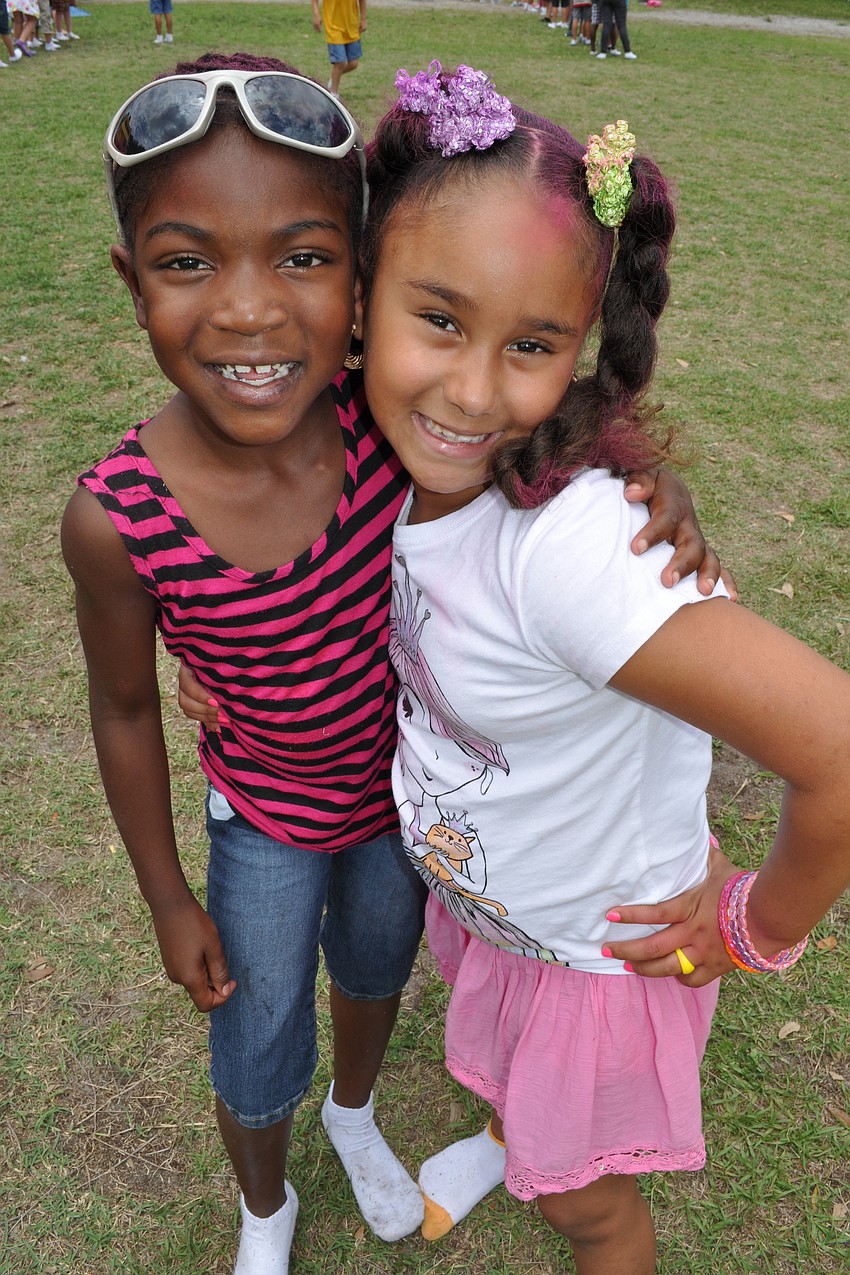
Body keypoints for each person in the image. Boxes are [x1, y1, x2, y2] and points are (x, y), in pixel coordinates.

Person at [64, 50, 727, 1275]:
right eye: (187, 263)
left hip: (401, 813)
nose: (252, 311)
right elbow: (119, 709)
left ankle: (355, 1115)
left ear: (359, 287)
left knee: (373, 975)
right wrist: (166, 896)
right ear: (130, 279)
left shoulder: (394, 427)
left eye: (305, 260)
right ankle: (265, 1210)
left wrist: (644, 474)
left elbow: (534, 443)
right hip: (260, 818)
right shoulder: (118, 514)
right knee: (255, 1027)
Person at [360, 67, 850, 1273]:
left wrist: (754, 926)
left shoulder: (574, 550)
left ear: (584, 347)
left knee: (587, 1209)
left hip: (596, 964)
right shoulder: (376, 469)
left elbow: (837, 748)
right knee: (522, 1109)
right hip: (510, 921)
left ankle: (555, 1172)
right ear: (359, 294)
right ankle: (507, 1128)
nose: (474, 390)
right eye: (437, 319)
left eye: (530, 345)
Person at [312, 0, 365, 98]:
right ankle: (333, 95)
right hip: (333, 26)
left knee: (354, 63)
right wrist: (316, 13)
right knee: (340, 62)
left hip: (351, 25)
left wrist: (363, 19)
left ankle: (334, 79)